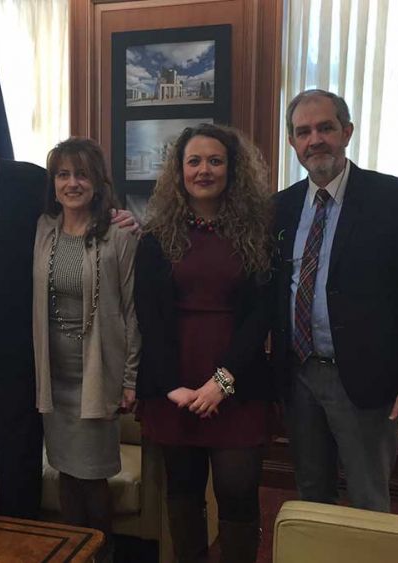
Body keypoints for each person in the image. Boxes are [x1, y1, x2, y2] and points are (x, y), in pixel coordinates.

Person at [0, 90, 136, 518]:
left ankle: (25, 544)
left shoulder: (31, 181)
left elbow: (77, 213)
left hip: (19, 353)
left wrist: (117, 217)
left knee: (19, 461)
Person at [272, 89, 398, 513]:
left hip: (365, 381)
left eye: (325, 128)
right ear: (292, 142)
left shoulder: (393, 198)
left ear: (346, 132)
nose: (315, 140)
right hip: (298, 376)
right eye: (303, 132)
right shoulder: (280, 206)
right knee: (312, 494)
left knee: (369, 499)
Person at [135, 124, 276, 563]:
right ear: (178, 171)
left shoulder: (259, 233)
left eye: (215, 161)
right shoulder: (155, 238)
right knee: (182, 492)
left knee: (238, 491)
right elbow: (148, 318)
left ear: (232, 169)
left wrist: (222, 382)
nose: (204, 170)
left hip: (239, 380)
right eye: (194, 161)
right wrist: (172, 386)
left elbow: (261, 316)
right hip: (175, 384)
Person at [33, 138, 140, 559]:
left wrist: (130, 378)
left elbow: (133, 312)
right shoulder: (43, 229)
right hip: (53, 376)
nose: (72, 183)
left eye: (82, 174)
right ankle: (74, 555)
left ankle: (102, 555)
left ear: (98, 182)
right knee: (64, 471)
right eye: (63, 175)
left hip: (98, 373)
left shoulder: (120, 234)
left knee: (93, 477)